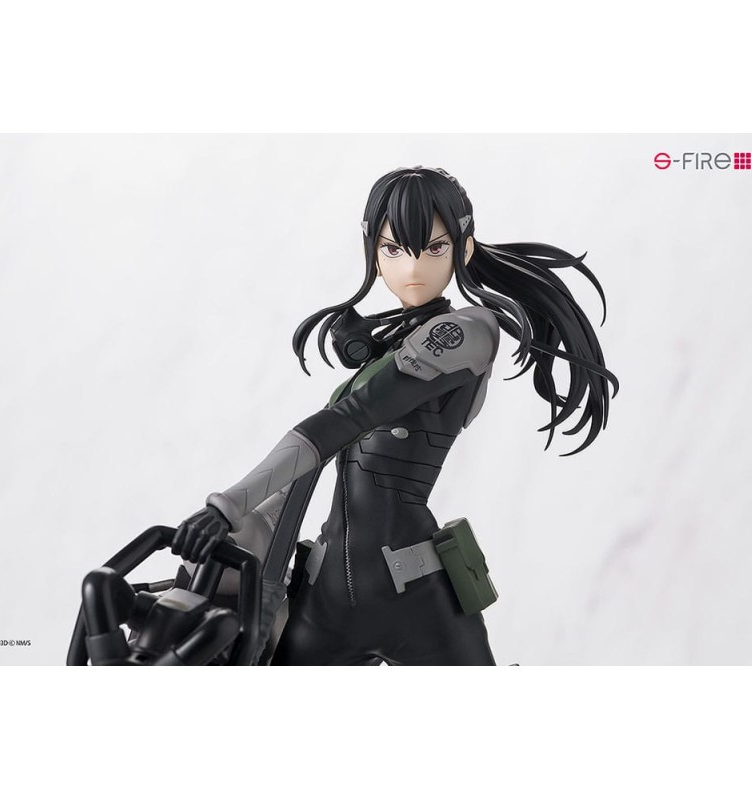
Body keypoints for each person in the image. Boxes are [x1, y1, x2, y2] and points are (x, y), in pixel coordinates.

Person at [171, 166, 618, 665]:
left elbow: (346, 420)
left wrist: (226, 506)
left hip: (414, 590)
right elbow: (314, 463)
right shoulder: (388, 350)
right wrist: (250, 524)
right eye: (394, 249)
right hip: (327, 596)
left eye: (434, 248)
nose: (413, 267)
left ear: (464, 249)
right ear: (373, 253)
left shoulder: (469, 331)